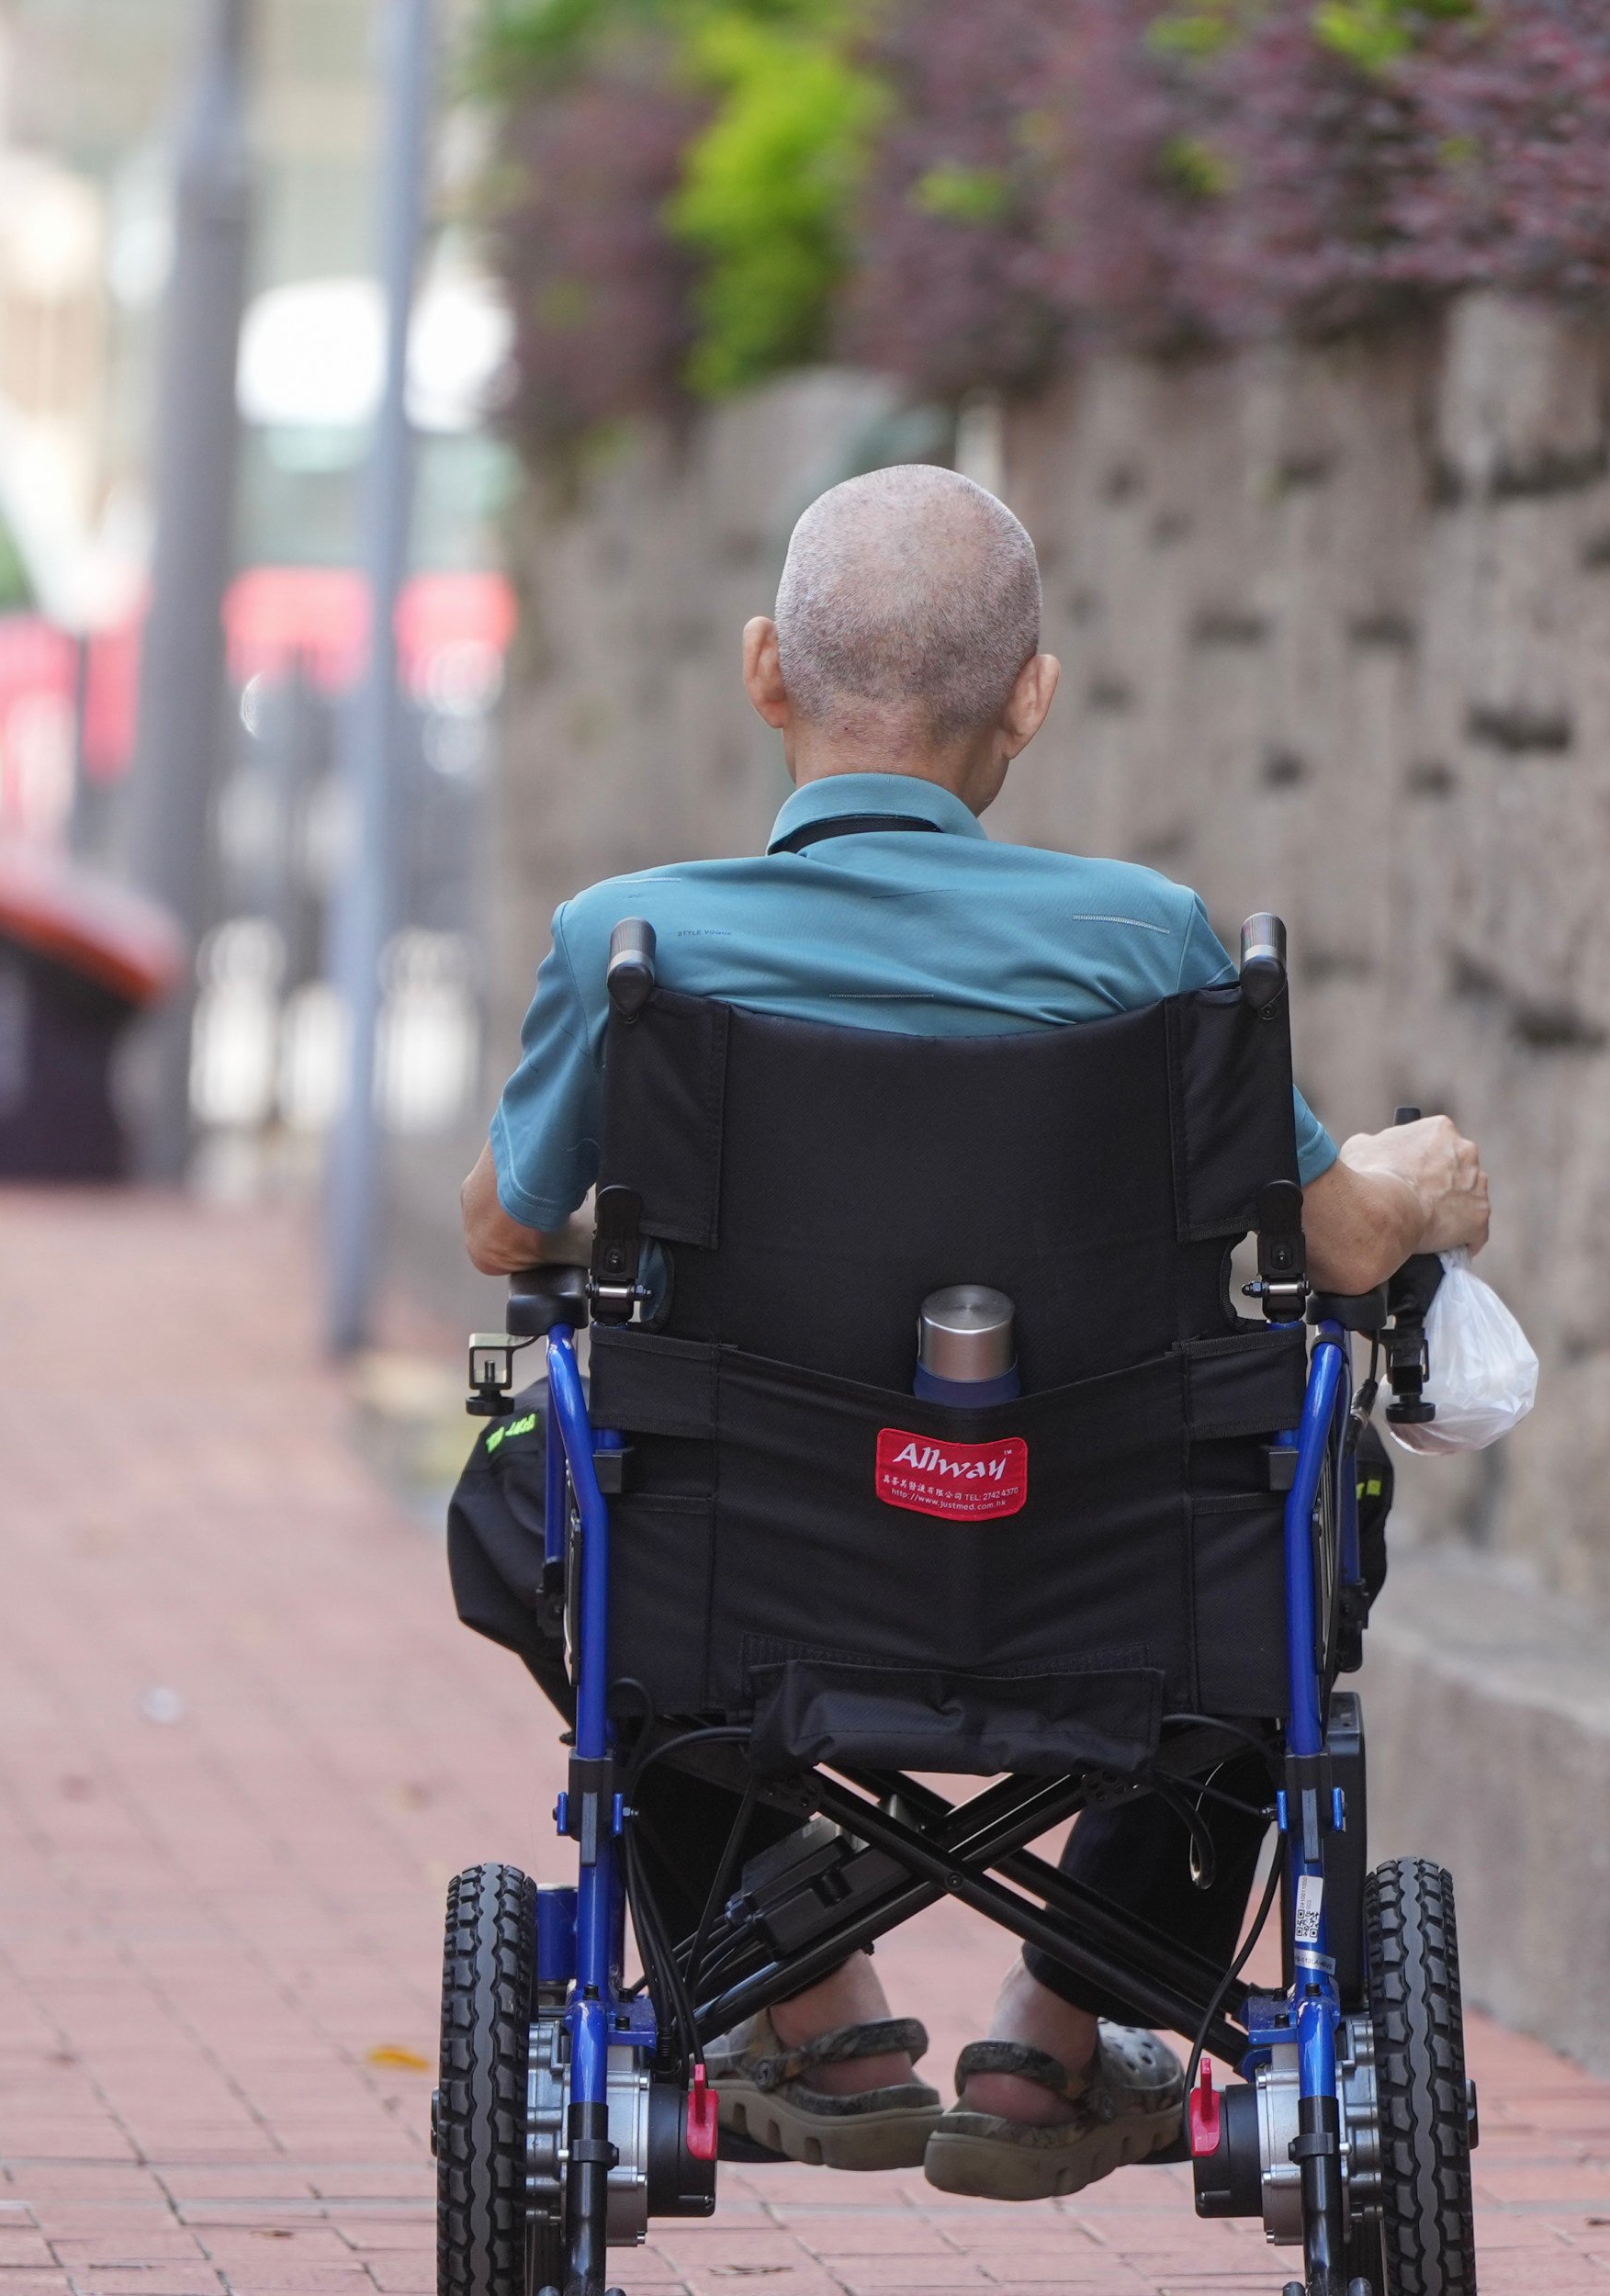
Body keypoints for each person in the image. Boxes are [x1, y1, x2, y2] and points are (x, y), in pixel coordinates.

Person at [446, 464, 1489, 2200]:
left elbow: (504, 1224)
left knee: (540, 1502)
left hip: (752, 1573)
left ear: (767, 668)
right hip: (1107, 1569)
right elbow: (1332, 1237)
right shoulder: (1151, 948)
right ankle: (1063, 2032)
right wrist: (1418, 1180)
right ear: (1031, 694)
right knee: (1292, 1513)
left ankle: (801, 1990)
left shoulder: (633, 946)